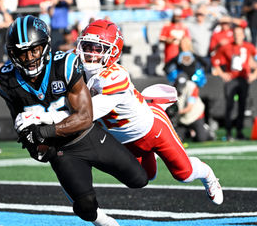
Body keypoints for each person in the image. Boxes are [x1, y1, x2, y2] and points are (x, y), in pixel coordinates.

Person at [30, 19, 224, 205]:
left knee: (185, 174)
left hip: (153, 129)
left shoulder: (115, 75)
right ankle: (150, 155)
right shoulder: (73, 65)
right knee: (145, 177)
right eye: (87, 46)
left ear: (112, 52)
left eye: (99, 48)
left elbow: (87, 114)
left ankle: (208, 175)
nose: (91, 53)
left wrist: (43, 117)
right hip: (126, 140)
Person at [0, 15, 148, 226]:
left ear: (45, 47)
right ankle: (90, 208)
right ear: (12, 53)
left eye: (34, 50)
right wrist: (35, 146)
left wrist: (44, 131)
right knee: (85, 208)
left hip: (87, 135)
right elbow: (20, 122)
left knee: (139, 180)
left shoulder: (65, 64)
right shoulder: (6, 80)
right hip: (62, 151)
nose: (29, 58)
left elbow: (85, 117)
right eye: (22, 52)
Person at [211, 25, 257, 140]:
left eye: (240, 34)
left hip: (243, 79)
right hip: (231, 79)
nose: (238, 37)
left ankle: (239, 131)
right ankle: (228, 132)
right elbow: (214, 60)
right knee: (230, 106)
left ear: (243, 35)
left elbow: (254, 60)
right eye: (235, 34)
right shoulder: (227, 47)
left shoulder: (249, 47)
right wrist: (222, 74)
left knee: (242, 105)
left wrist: (254, 75)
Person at [172, 73, 215, 142]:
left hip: (195, 115)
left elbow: (189, 107)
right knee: (177, 139)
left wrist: (175, 113)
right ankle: (190, 132)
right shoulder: (172, 88)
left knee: (201, 138)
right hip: (182, 119)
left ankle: (207, 132)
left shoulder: (192, 87)